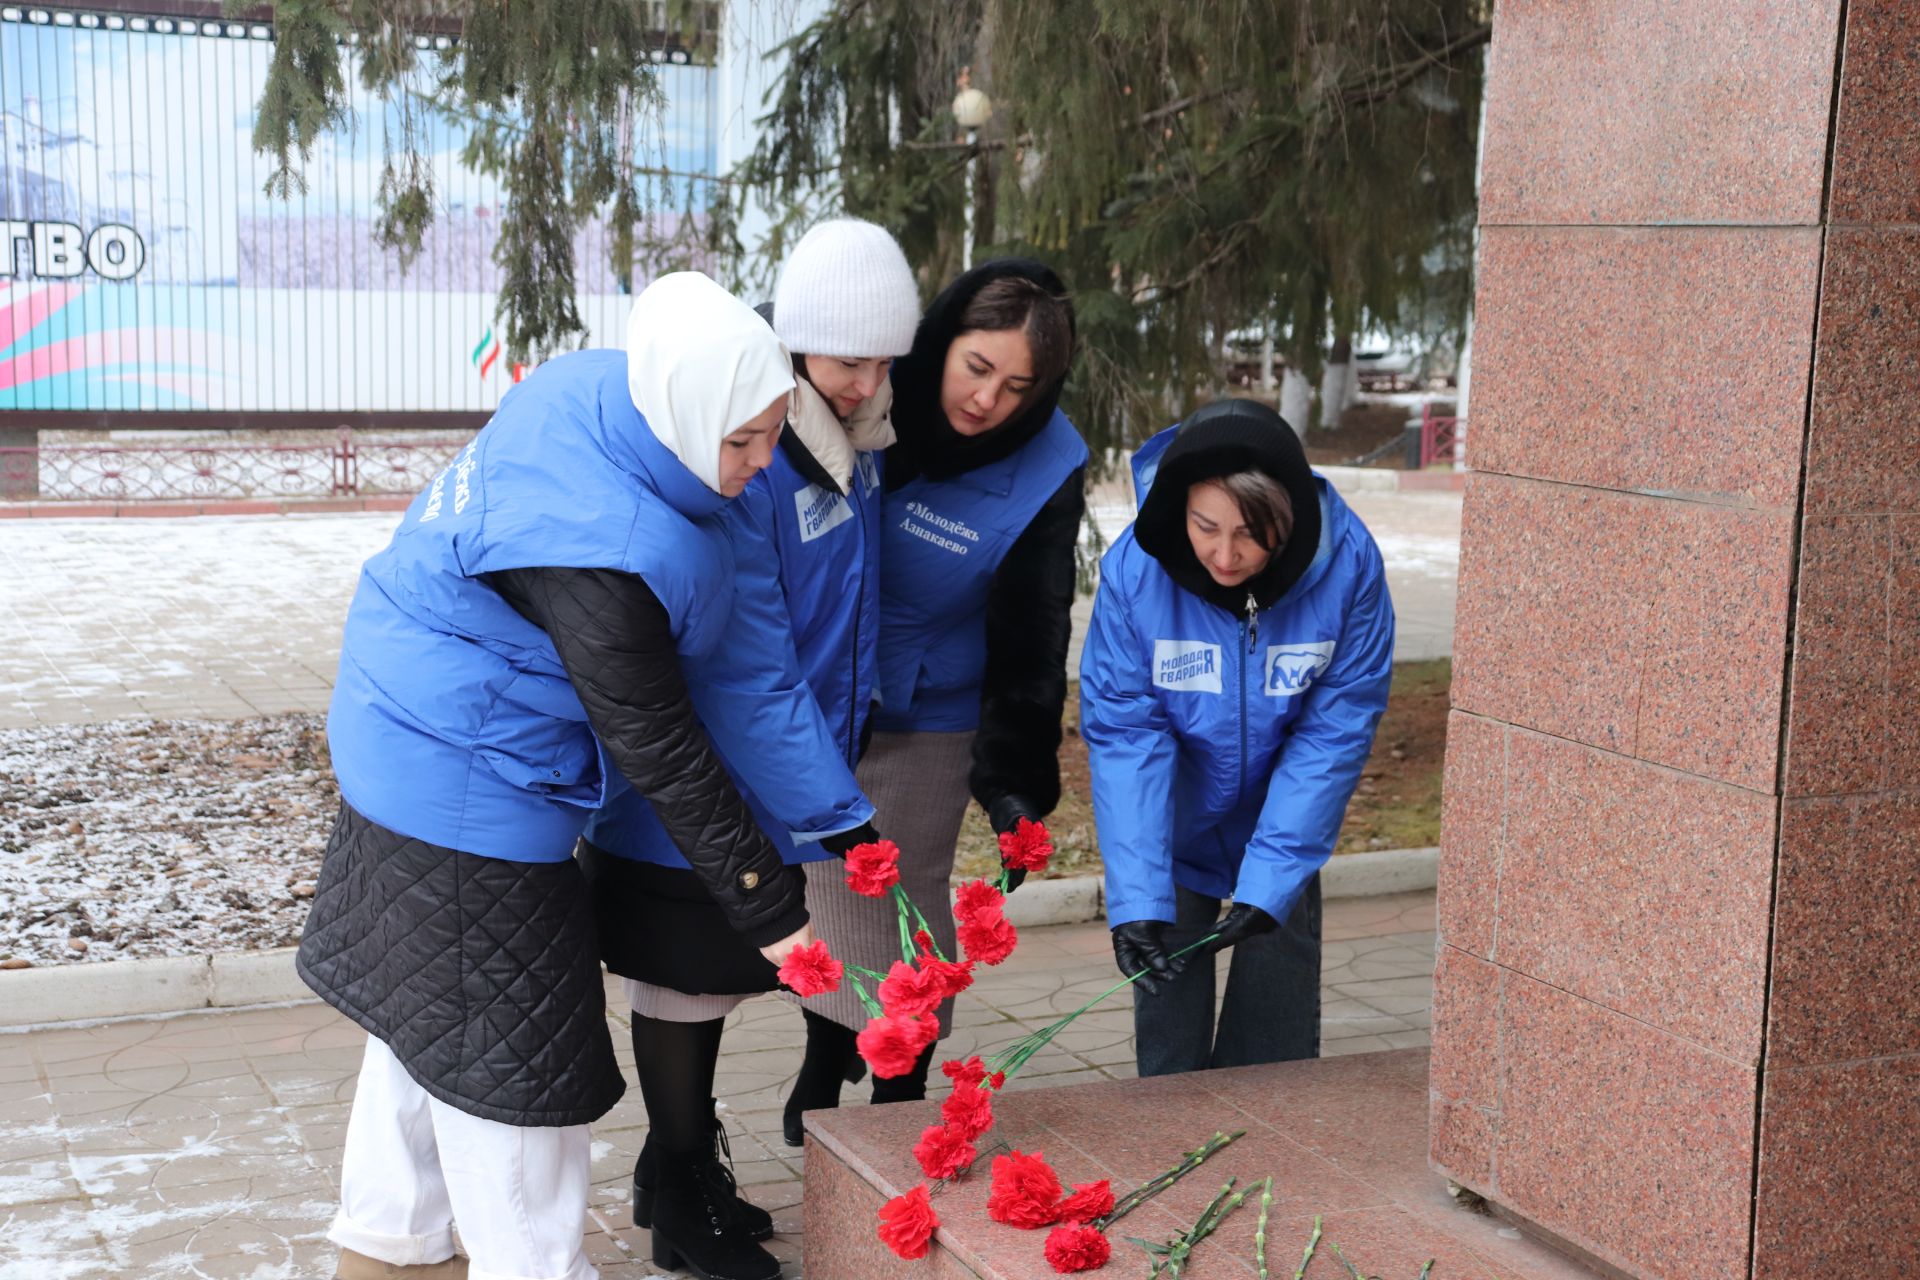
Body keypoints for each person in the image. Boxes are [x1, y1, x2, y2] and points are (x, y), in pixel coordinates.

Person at [298, 272, 815, 1280]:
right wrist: (768, 903)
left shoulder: (603, 396)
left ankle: (391, 1233)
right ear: (680, 411)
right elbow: (661, 742)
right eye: (742, 442)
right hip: (461, 765)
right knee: (513, 1040)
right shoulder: (603, 554)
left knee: (425, 998)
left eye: (771, 434)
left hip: (401, 718)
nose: (761, 465)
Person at [575, 219, 921, 1280]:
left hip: (778, 761)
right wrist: (834, 803)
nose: (865, 382)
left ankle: (675, 1164)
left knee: (719, 975)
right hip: (705, 767)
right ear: (794, 341)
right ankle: (679, 1192)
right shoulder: (757, 448)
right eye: (845, 358)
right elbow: (748, 663)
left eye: (882, 361)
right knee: (685, 977)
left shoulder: (844, 442)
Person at [784, 259, 1088, 1135]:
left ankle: (896, 1103)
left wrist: (1016, 783)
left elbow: (1036, 627)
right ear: (942, 341)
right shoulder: (869, 394)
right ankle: (820, 1067)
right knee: (822, 904)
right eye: (977, 368)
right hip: (820, 705)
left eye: (1018, 386)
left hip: (927, 720)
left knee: (897, 913)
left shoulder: (1045, 465)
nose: (990, 400)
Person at [1079, 398, 1394, 1078]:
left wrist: (1274, 877)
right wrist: (1136, 896)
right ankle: (1171, 1140)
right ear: (1181, 509)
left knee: (1274, 1035)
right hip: (1172, 822)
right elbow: (1128, 732)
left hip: (1285, 814)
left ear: (1288, 518)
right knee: (1167, 1009)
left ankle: (1270, 1149)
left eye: (1252, 533)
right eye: (1205, 527)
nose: (1226, 555)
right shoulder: (1136, 571)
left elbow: (1334, 728)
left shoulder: (1348, 567)